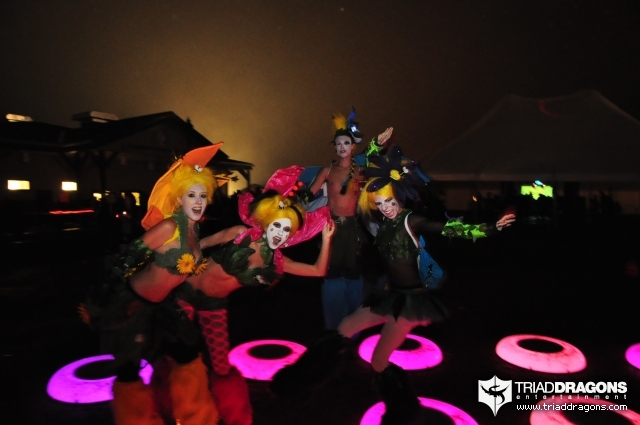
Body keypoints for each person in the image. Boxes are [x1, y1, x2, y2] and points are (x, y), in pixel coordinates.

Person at [271, 146, 516, 425]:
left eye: (388, 201)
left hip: (409, 303)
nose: (384, 206)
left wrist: (493, 227)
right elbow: (348, 191)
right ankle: (295, 383)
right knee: (344, 328)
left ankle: (404, 413)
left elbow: (451, 228)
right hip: (388, 295)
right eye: (379, 202)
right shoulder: (375, 221)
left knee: (379, 361)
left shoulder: (411, 221)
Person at [172, 165, 335, 425]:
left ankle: (233, 416)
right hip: (186, 291)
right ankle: (182, 411)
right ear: (266, 221)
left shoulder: (276, 261)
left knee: (222, 368)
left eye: (286, 230)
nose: (279, 233)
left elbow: (317, 271)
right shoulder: (240, 234)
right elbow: (201, 244)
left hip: (214, 305)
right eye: (277, 225)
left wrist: (326, 240)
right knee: (181, 353)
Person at [81, 144, 223, 425]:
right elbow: (125, 262)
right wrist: (99, 302)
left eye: (202, 195)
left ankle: (197, 417)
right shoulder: (168, 227)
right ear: (179, 198)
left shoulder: (194, 229)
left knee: (187, 353)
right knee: (129, 370)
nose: (198, 201)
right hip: (133, 304)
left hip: (165, 305)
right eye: (191, 195)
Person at [307, 108, 393, 330]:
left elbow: (375, 165)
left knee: (353, 272)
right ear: (335, 147)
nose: (342, 147)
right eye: (338, 144)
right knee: (331, 272)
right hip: (331, 228)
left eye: (346, 143)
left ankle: (353, 324)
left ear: (353, 146)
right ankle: (333, 324)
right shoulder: (327, 171)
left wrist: (377, 144)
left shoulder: (360, 171)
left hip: (352, 229)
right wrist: (289, 201)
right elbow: (308, 194)